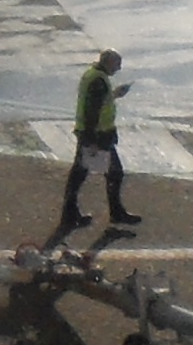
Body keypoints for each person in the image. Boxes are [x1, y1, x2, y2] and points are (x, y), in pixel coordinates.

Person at [54, 49, 137, 235]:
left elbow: (98, 103)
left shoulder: (93, 76)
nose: (119, 68)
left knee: (80, 174)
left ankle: (71, 214)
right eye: (117, 64)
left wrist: (115, 94)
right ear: (108, 63)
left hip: (91, 134)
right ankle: (115, 213)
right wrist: (91, 140)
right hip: (98, 136)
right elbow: (92, 111)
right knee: (113, 173)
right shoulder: (98, 81)